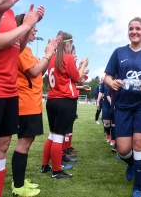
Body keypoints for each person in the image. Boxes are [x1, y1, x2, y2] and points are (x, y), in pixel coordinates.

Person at [0, 0, 43, 196]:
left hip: (10, 89)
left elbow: (16, 48)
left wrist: (26, 27)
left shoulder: (10, 12)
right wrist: (27, 26)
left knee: (2, 147)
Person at [104, 17, 141, 197]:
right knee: (123, 149)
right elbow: (106, 76)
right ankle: (132, 164)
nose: (134, 31)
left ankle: (138, 188)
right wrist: (111, 82)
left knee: (139, 144)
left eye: (138, 29)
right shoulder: (118, 52)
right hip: (122, 105)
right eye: (131, 28)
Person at [11, 13, 60, 196]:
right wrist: (48, 54)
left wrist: (49, 52)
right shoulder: (21, 50)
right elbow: (33, 72)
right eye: (33, 27)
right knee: (23, 143)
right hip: (25, 103)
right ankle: (18, 187)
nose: (36, 30)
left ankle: (19, 181)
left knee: (27, 141)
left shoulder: (27, 50)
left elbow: (40, 70)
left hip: (32, 102)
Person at [41, 31, 88, 179]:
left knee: (52, 135)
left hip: (52, 100)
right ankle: (56, 171)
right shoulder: (67, 58)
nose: (71, 47)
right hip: (65, 101)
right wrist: (83, 65)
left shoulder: (51, 58)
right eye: (71, 45)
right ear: (67, 44)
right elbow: (78, 78)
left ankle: (44, 165)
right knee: (59, 137)